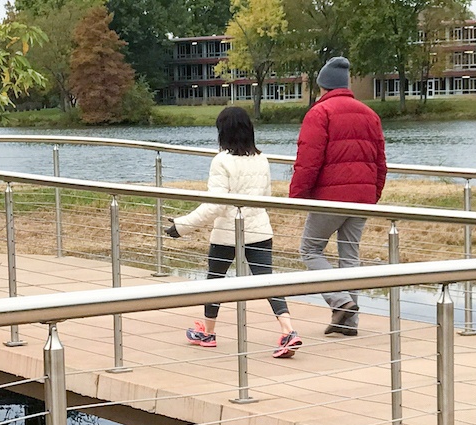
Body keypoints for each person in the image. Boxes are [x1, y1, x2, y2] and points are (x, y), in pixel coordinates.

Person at [165, 106, 302, 359]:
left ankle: (208, 333)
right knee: (267, 281)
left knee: (215, 281)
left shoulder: (221, 161)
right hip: (259, 228)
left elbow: (215, 205)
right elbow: (266, 197)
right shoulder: (262, 159)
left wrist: (182, 226)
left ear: (223, 133)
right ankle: (288, 330)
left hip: (228, 231)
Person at [291, 56, 388, 336]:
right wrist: (374, 193)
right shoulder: (370, 115)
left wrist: (297, 195)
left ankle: (340, 301)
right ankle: (349, 322)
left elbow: (308, 159)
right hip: (362, 196)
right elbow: (381, 162)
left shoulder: (320, 113)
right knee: (350, 256)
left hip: (330, 197)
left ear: (323, 85)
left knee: (310, 249)